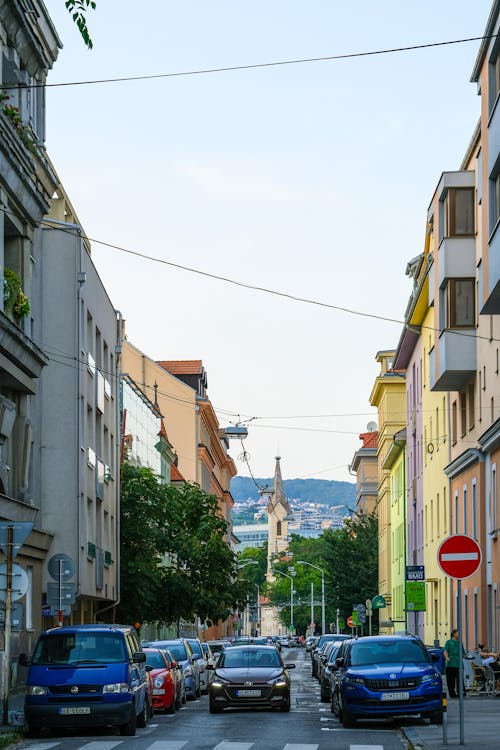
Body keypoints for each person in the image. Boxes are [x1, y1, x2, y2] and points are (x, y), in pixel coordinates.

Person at [444, 629, 465, 698]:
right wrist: (447, 658)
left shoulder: (460, 642)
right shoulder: (448, 642)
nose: (459, 634)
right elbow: (445, 652)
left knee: (460, 680)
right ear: (454, 634)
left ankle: (460, 693)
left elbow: (463, 653)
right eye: (458, 633)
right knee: (451, 681)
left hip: (459, 664)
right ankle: (452, 694)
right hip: (450, 664)